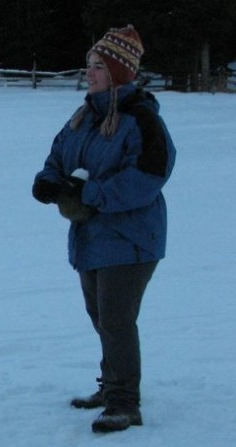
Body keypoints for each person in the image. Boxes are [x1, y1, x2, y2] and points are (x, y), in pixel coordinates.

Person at [32, 25, 176, 433]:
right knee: (101, 316)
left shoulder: (142, 120)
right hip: (91, 237)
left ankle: (124, 403)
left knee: (116, 319)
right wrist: (48, 182)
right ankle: (113, 386)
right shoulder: (84, 117)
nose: (89, 72)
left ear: (118, 71)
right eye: (89, 65)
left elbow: (148, 178)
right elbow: (57, 156)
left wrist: (89, 192)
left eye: (98, 66)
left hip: (132, 238)